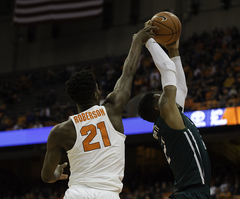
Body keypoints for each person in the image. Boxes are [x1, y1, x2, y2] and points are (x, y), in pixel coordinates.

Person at [41, 23, 158, 199]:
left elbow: (46, 177)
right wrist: (137, 41)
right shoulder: (112, 110)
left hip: (77, 194)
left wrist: (56, 173)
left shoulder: (60, 131)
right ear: (96, 93)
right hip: (108, 194)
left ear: (75, 99)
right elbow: (128, 73)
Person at [137, 32, 212, 198]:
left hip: (192, 192)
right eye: (160, 95)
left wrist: (174, 52)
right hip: (191, 194)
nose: (165, 95)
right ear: (158, 107)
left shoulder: (172, 119)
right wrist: (148, 40)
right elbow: (167, 69)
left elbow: (181, 88)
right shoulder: (167, 115)